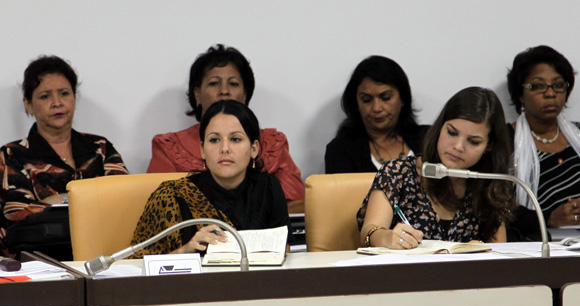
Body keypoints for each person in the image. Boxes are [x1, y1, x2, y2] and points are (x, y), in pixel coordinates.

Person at [146, 44, 305, 213]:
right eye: (214, 83)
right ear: (197, 94)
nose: (224, 91)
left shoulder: (273, 144)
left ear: (244, 95)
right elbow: (159, 211)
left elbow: (296, 208)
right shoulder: (169, 148)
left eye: (234, 84)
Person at [0, 55, 129, 259]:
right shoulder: (12, 154)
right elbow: (18, 214)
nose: (57, 103)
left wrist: (59, 199)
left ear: (74, 98)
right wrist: (82, 199)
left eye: (64, 93)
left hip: (103, 255)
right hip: (37, 262)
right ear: (28, 105)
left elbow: (124, 200)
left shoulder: (100, 148)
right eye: (45, 96)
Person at [131, 100, 292, 257]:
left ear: (254, 149)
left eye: (235, 139)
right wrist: (185, 251)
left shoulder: (268, 188)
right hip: (187, 283)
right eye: (214, 140)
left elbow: (283, 252)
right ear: (202, 150)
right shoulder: (172, 196)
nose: (224, 148)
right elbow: (136, 268)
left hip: (254, 283)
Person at [358, 87, 513, 249]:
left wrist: (483, 250)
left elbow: (499, 254)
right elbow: (368, 233)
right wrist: (387, 237)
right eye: (452, 133)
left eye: (473, 141)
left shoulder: (490, 183)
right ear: (440, 127)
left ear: (489, 145)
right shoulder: (397, 172)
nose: (458, 146)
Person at [506, 45, 580, 241]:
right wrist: (547, 218)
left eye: (558, 85)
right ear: (520, 93)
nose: (550, 93)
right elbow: (499, 205)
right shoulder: (505, 140)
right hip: (536, 243)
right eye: (538, 86)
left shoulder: (578, 134)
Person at [325, 55, 428, 174]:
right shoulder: (341, 150)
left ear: (403, 98)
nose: (376, 108)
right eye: (366, 100)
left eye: (386, 98)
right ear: (356, 103)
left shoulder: (428, 138)